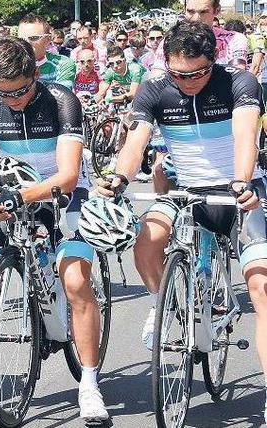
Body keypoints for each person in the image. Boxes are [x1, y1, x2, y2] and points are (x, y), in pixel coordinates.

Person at [98, 25, 267, 418]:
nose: (188, 82)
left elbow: (245, 138)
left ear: (214, 61)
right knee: (147, 240)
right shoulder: (155, 90)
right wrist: (119, 179)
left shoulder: (238, 82)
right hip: (184, 191)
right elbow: (135, 142)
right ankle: (162, 304)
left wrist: (241, 181)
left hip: (238, 188)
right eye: (179, 74)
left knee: (261, 286)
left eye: (198, 73)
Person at [0, 37, 109, 423]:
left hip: (62, 197)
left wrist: (20, 196)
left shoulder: (61, 100)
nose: (13, 99)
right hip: (11, 195)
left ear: (35, 73)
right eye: (4, 93)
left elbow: (68, 176)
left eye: (20, 90)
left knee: (74, 281)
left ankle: (89, 383)